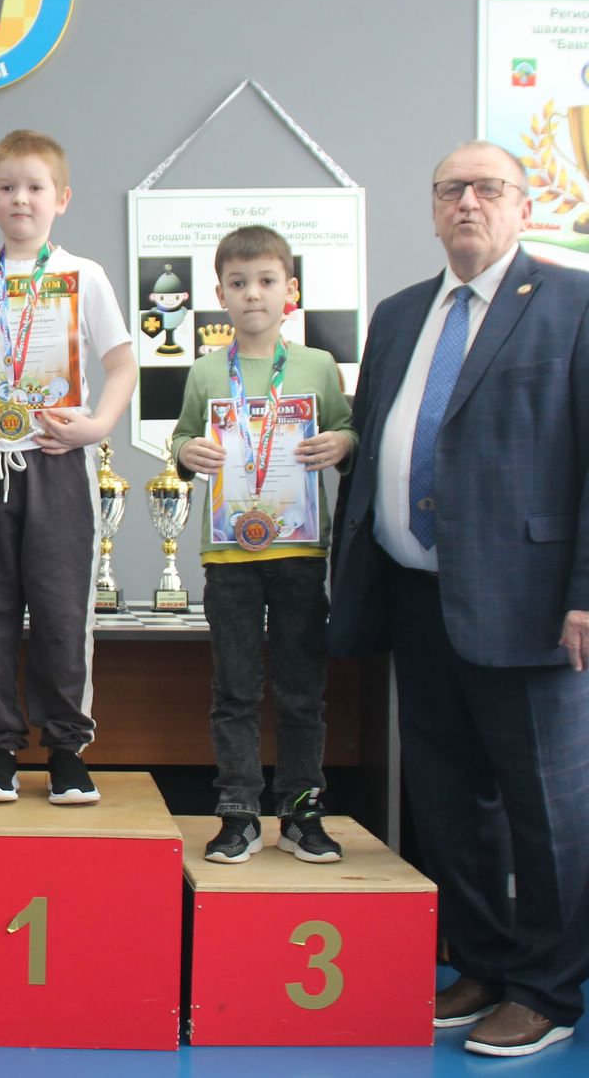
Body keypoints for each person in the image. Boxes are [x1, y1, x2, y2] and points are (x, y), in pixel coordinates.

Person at [329, 141, 589, 1058]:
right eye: (451, 189)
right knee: (445, 800)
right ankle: (479, 963)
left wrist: (586, 593)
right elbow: (379, 436)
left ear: (524, 207)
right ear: (435, 208)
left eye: (487, 188)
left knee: (547, 811)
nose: (467, 202)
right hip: (417, 597)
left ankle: (548, 990)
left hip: (531, 605)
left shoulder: (572, 302)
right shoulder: (401, 314)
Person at [0, 129, 137, 804]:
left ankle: (67, 748)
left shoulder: (84, 275)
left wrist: (98, 426)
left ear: (61, 198)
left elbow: (122, 363)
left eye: (35, 187)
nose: (21, 198)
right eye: (7, 186)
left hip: (59, 461)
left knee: (63, 609)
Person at [172, 226, 355, 864]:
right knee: (236, 691)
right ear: (220, 294)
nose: (253, 293)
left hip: (300, 553)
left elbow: (346, 431)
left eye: (267, 281)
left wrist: (343, 443)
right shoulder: (205, 371)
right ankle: (238, 812)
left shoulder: (316, 365)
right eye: (239, 282)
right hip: (229, 558)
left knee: (302, 690)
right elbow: (184, 440)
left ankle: (302, 811)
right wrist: (186, 453)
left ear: (290, 290)